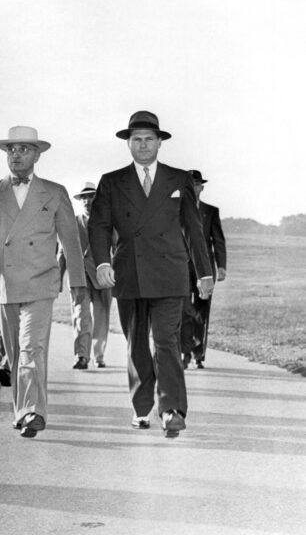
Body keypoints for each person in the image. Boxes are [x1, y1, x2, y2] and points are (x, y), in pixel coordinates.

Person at [88, 111, 213, 437]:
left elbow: (193, 229)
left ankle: (171, 409)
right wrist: (103, 263)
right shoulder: (111, 182)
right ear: (129, 144)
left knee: (166, 341)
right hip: (128, 274)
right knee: (136, 346)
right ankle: (141, 407)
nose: (143, 145)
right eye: (136, 139)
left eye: (148, 139)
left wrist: (204, 272)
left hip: (170, 274)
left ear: (159, 142)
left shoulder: (178, 179)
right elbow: (98, 225)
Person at [0, 125, 86, 438]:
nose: (16, 155)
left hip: (41, 282)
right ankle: (21, 410)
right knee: (16, 351)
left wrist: (77, 282)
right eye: (11, 149)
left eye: (23, 149)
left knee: (33, 347)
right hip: (3, 283)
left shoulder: (55, 191)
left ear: (37, 155)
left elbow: (70, 240)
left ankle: (34, 411)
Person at [58, 182, 113, 369]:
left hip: (103, 277)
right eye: (84, 198)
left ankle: (99, 355)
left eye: (91, 197)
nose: (88, 201)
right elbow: (62, 253)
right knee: (81, 317)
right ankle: (82, 356)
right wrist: (58, 279)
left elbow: (119, 249)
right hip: (78, 278)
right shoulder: (71, 223)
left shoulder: (108, 223)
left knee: (101, 318)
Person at [181, 169, 227, 369]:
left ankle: (198, 355)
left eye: (197, 184)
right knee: (183, 309)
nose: (193, 188)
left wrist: (222, 265)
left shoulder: (211, 211)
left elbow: (218, 240)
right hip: (181, 268)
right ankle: (185, 352)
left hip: (206, 269)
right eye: (189, 184)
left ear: (201, 187)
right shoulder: (176, 208)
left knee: (202, 311)